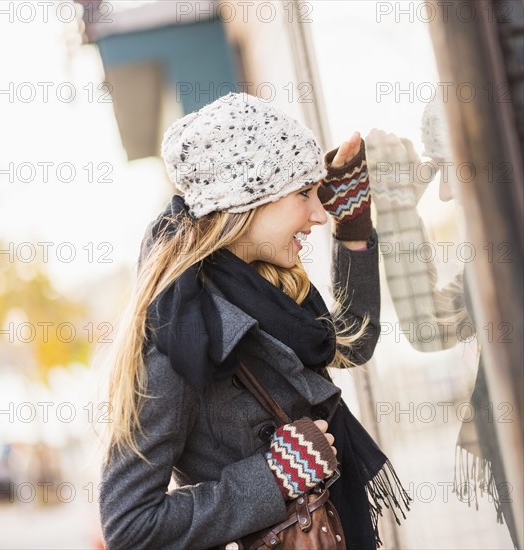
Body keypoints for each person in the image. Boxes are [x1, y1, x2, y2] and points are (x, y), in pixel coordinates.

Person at [99, 92, 409, 550]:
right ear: (246, 201)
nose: (318, 213)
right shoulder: (180, 337)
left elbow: (349, 342)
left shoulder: (266, 290)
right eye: (303, 194)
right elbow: (129, 525)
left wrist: (354, 228)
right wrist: (272, 476)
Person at [365, 92, 517, 548]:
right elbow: (430, 328)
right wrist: (396, 211)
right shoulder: (493, 259)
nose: (444, 190)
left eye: (447, 165)